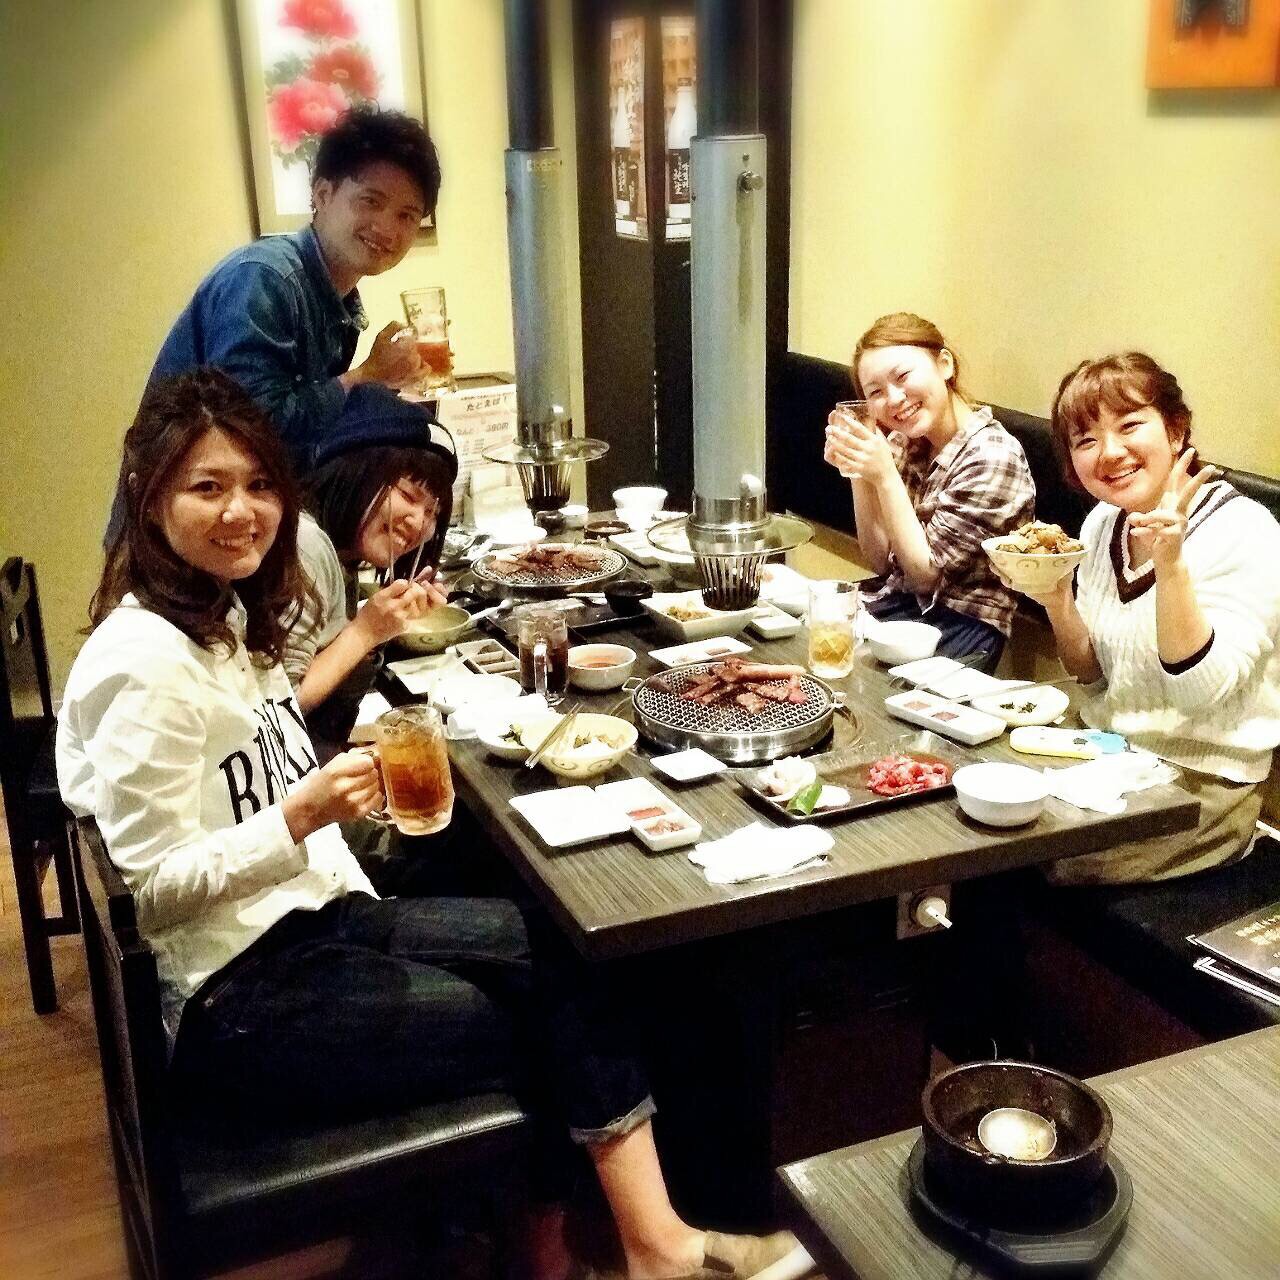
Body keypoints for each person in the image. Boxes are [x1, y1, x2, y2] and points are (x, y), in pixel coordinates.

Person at [58, 369, 800, 1280]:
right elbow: (149, 897)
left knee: (570, 951)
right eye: (206, 487)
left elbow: (256, 760)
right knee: (554, 1021)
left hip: (314, 922)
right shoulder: (141, 662)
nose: (240, 511)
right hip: (239, 1001)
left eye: (256, 485)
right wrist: (300, 816)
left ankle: (613, 1246)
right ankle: (628, 1249)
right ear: (149, 496)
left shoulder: (217, 616)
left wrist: (333, 807)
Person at [1002, 351, 1280, 883]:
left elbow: (1199, 694)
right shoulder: (1103, 523)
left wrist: (1171, 567)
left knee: (1016, 860)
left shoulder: (1246, 531)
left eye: (1130, 425)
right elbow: (1092, 675)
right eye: (1085, 440)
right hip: (1106, 755)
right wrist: (1056, 598)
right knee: (974, 808)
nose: (1110, 452)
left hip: (1198, 789)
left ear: (1175, 430)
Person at [823, 312, 1035, 671]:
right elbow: (879, 560)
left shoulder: (993, 456)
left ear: (945, 365)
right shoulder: (906, 443)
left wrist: (883, 476)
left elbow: (925, 576)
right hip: (899, 610)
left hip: (961, 629)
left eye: (903, 376)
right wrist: (858, 470)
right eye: (875, 392)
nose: (894, 398)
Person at [285, 383, 453, 761]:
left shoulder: (339, 553)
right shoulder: (306, 544)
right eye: (408, 496)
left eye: (432, 512)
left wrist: (387, 623)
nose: (419, 522)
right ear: (357, 470)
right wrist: (366, 631)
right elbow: (282, 708)